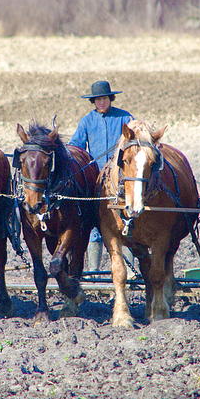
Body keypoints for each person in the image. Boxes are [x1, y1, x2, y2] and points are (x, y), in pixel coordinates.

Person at [67, 80, 134, 271]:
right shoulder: (87, 121)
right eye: (97, 99)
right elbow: (76, 147)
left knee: (126, 224)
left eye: (104, 98)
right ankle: (93, 274)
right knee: (94, 227)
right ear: (93, 101)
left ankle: (130, 272)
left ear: (110, 98)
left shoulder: (125, 118)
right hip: (95, 181)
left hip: (121, 180)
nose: (101, 102)